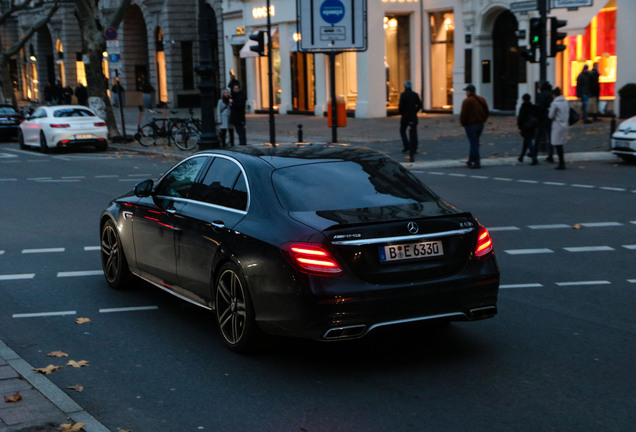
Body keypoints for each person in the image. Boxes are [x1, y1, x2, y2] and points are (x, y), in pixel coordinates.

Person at [459, 84, 489, 169]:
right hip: (480, 124)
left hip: (470, 125)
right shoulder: (482, 99)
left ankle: (477, 162)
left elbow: (463, 115)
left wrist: (463, 123)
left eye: (466, 91)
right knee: (474, 142)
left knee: (473, 144)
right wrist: (483, 120)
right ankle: (471, 160)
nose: (466, 93)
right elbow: (486, 111)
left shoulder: (467, 101)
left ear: (469, 92)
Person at [398, 80, 422, 162]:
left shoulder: (403, 95)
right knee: (414, 132)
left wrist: (401, 112)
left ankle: (406, 146)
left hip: (405, 116)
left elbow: (401, 106)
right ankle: (414, 148)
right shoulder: (415, 95)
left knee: (402, 130)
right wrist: (415, 111)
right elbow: (420, 105)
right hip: (413, 116)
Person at [548, 87, 569, 170]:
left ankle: (561, 162)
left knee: (557, 144)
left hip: (557, 125)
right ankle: (561, 161)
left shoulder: (555, 104)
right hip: (564, 124)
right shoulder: (565, 102)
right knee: (561, 144)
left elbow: (550, 116)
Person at [535, 81, 554, 162]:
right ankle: (551, 155)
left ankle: (534, 155)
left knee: (538, 137)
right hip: (549, 118)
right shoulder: (550, 95)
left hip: (542, 118)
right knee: (550, 137)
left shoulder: (541, 95)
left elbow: (539, 107)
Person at [517, 93, 538, 165]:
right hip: (532, 126)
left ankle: (533, 156)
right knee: (526, 141)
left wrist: (520, 127)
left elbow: (520, 118)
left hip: (525, 127)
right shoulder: (532, 107)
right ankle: (521, 156)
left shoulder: (523, 107)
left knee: (528, 141)